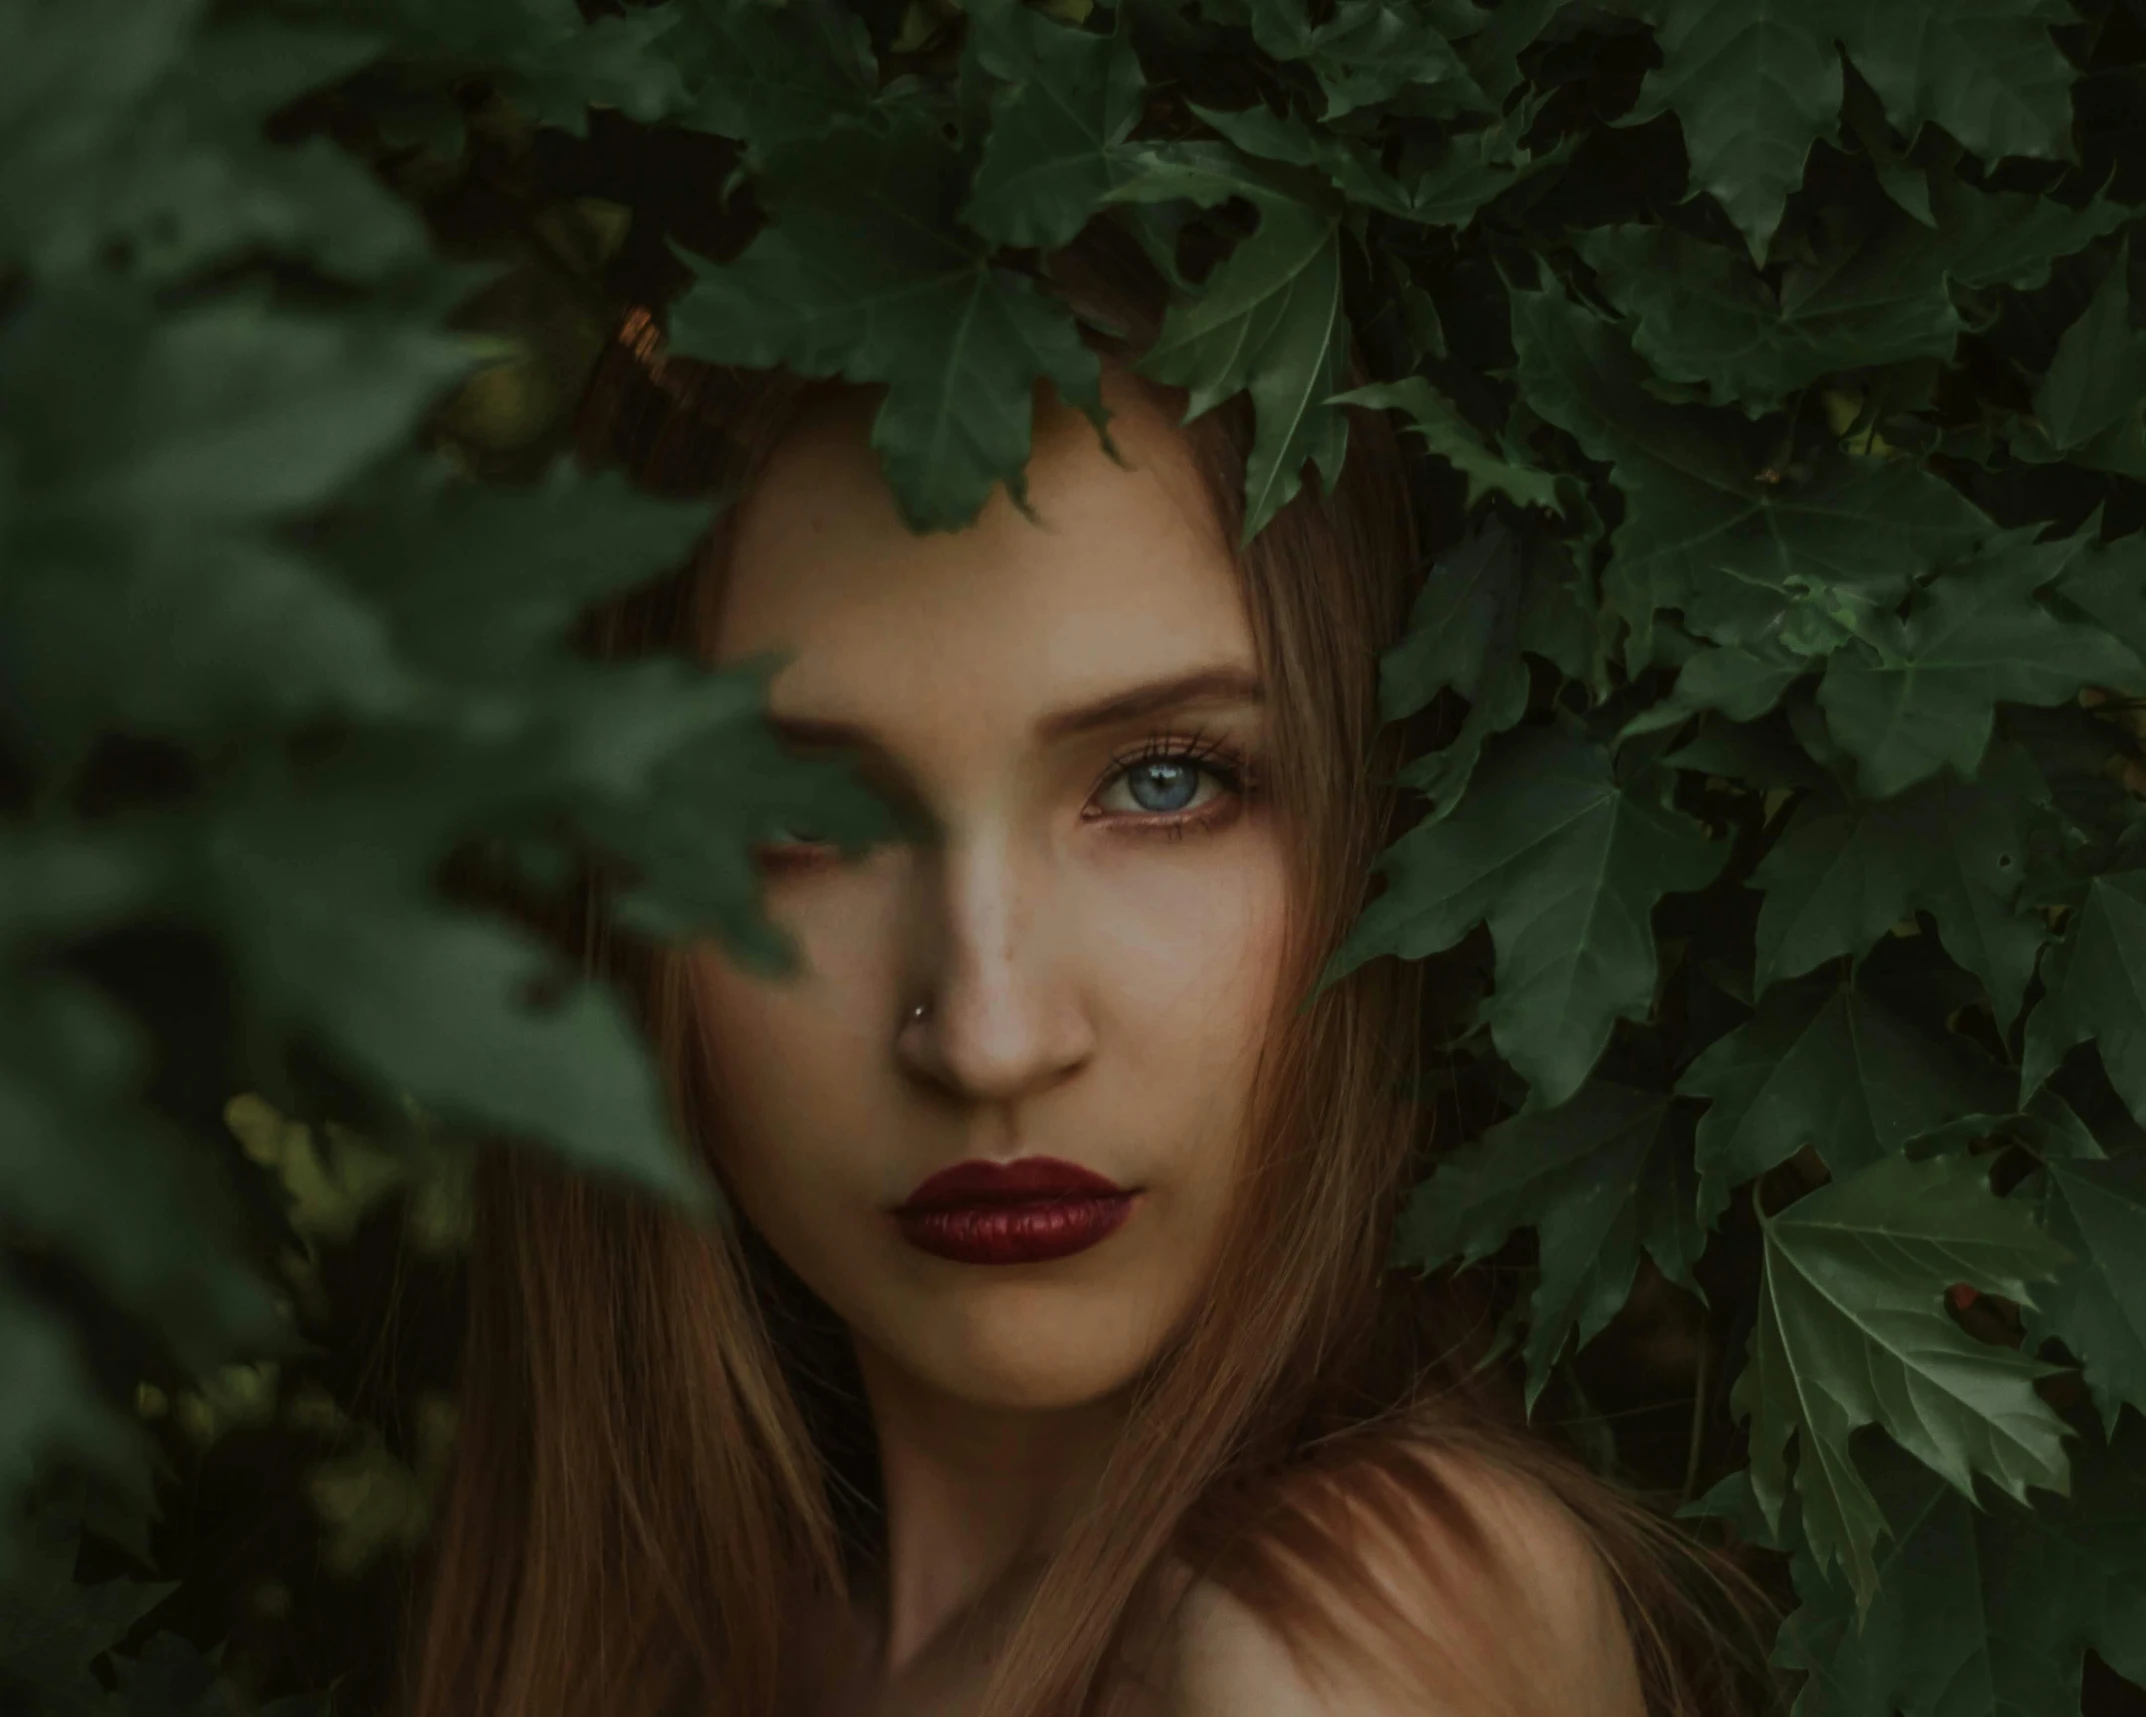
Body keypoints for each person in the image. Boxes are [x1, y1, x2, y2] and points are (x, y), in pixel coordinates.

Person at [401, 227, 1774, 1717]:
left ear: (1387, 839)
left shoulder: (1326, 1641)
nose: (988, 1038)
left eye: (1168, 785)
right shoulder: (683, 1650)